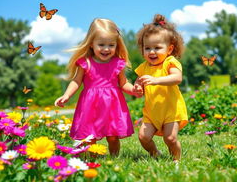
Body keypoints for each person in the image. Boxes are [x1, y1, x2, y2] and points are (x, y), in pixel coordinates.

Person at [55, 18, 142, 156]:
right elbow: (76, 81)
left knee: (113, 136)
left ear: (116, 44)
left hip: (112, 106)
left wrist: (134, 90)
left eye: (111, 45)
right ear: (91, 44)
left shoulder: (118, 63)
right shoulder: (86, 63)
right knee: (90, 137)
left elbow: (123, 83)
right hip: (90, 106)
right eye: (101, 44)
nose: (106, 49)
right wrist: (67, 95)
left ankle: (114, 158)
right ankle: (92, 159)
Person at [134, 14, 188, 161]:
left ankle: (176, 160)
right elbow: (139, 82)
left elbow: (177, 78)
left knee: (170, 138)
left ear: (169, 49)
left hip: (171, 109)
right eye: (147, 48)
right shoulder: (143, 67)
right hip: (152, 112)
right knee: (143, 137)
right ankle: (155, 154)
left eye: (157, 48)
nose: (152, 52)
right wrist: (138, 87)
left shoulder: (170, 62)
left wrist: (156, 80)